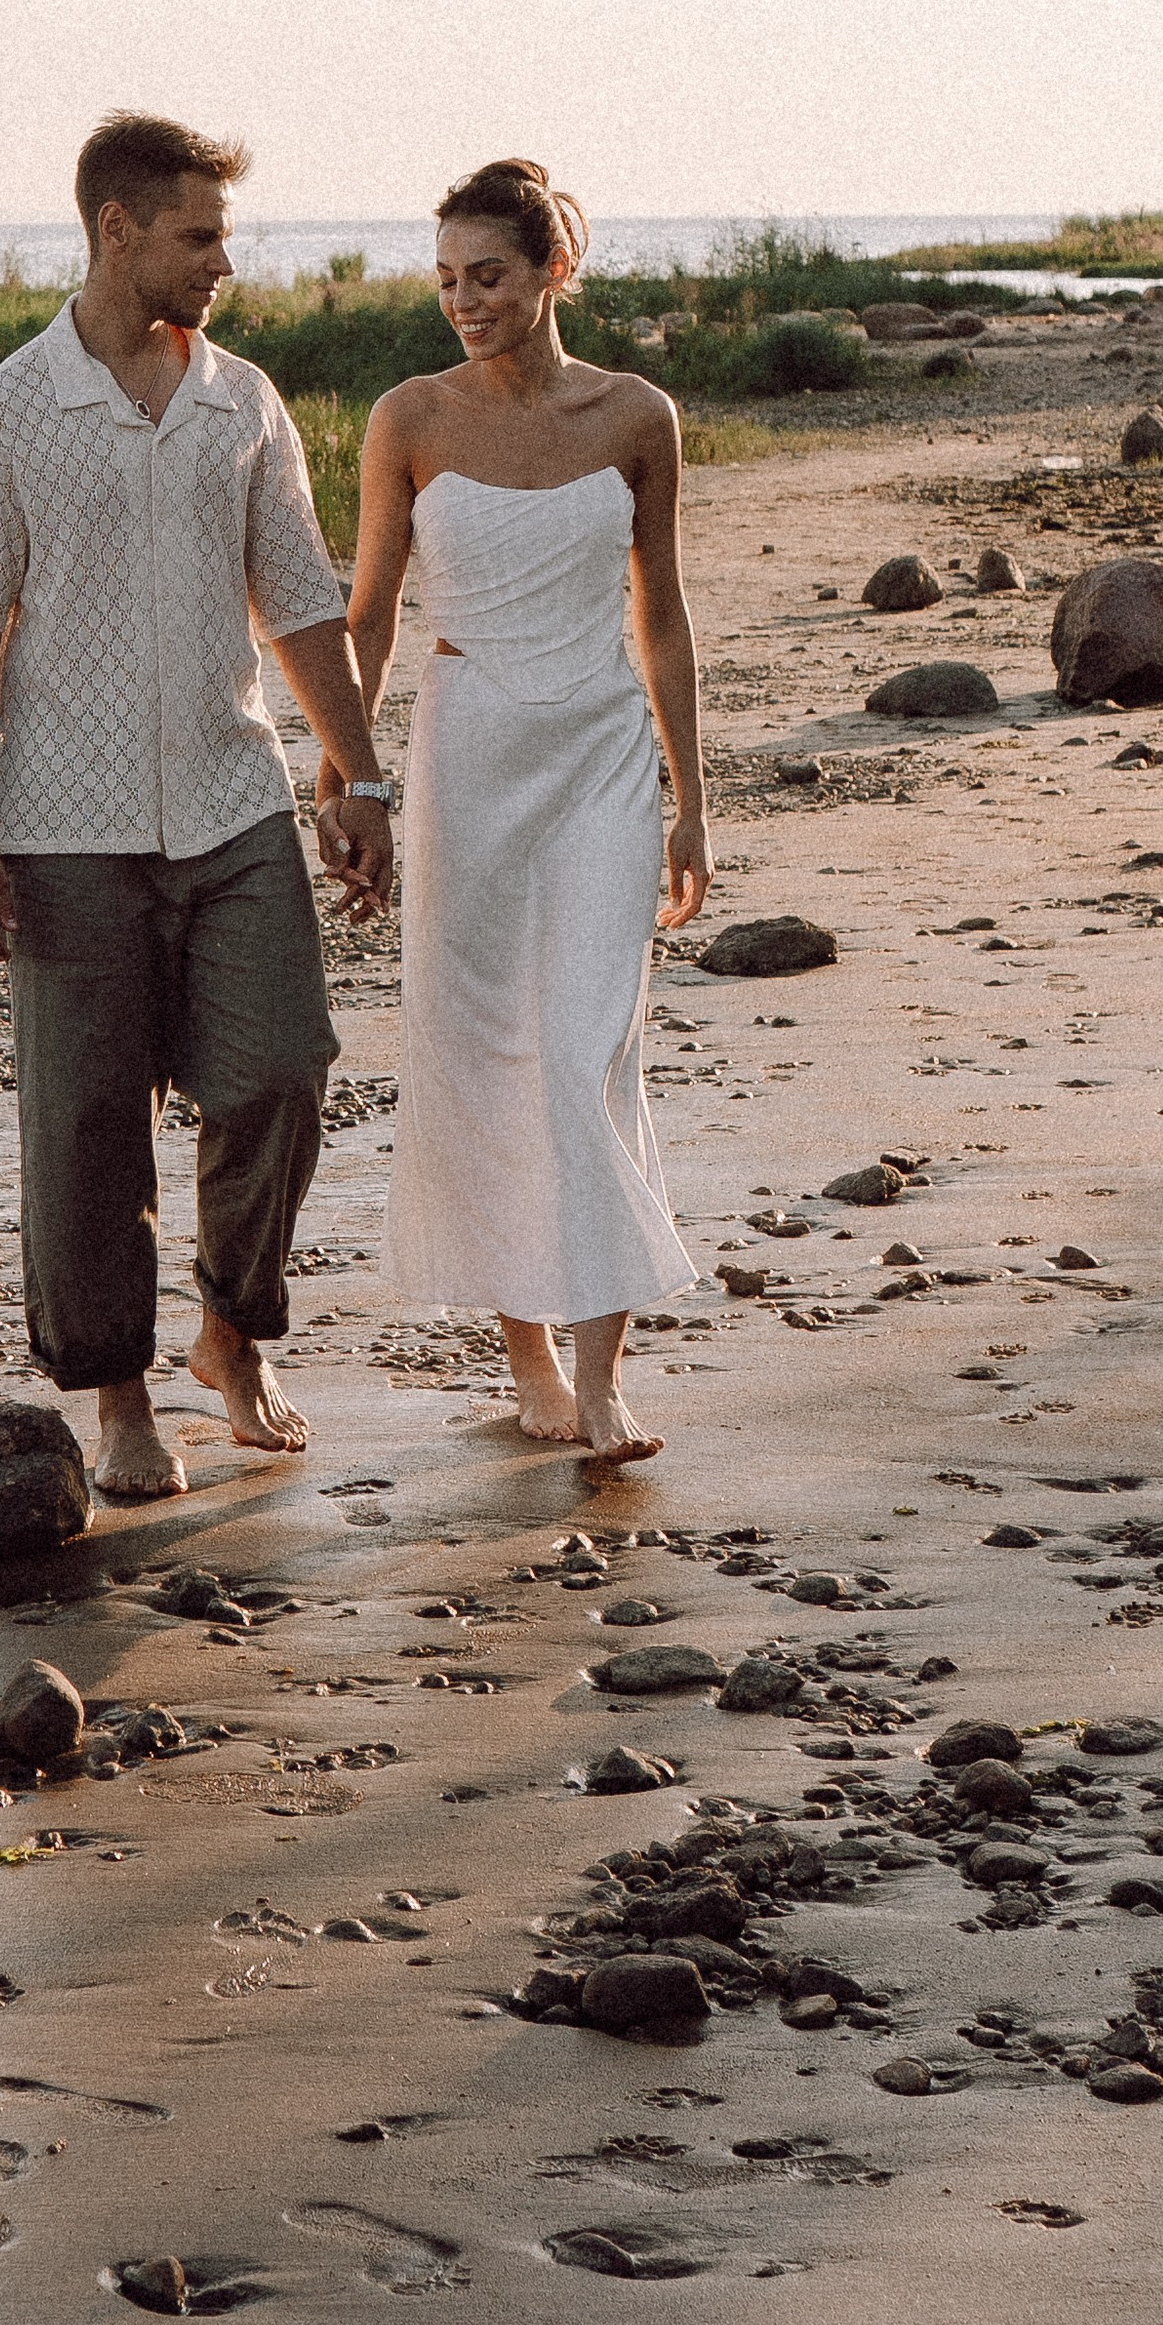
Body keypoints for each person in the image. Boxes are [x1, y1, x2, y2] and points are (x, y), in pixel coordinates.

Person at [0, 112, 395, 1503]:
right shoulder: (10, 412)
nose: (221, 264)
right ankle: (118, 1399)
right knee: (86, 1127)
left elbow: (298, 598)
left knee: (281, 1070)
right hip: (63, 828)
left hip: (236, 806)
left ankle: (232, 1331)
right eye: (198, 237)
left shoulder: (241, 402)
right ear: (116, 230)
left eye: (224, 239)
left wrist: (357, 773)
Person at [336, 159, 708, 1461]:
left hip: (602, 752)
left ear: (555, 271)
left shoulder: (637, 416)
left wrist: (690, 806)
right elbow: (368, 614)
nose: (462, 302)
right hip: (469, 754)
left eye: (486, 276)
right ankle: (532, 1363)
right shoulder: (410, 419)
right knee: (483, 1046)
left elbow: (660, 617)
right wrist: (352, 771)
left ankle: (605, 1374)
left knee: (587, 1049)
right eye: (444, 281)